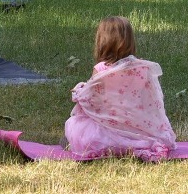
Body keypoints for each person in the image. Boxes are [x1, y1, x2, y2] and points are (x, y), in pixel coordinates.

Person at [64, 16, 176, 162]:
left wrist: (79, 91)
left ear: (102, 41)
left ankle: (114, 145)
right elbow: (150, 100)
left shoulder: (101, 69)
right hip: (136, 127)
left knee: (77, 126)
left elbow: (92, 100)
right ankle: (133, 145)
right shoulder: (141, 67)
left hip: (108, 128)